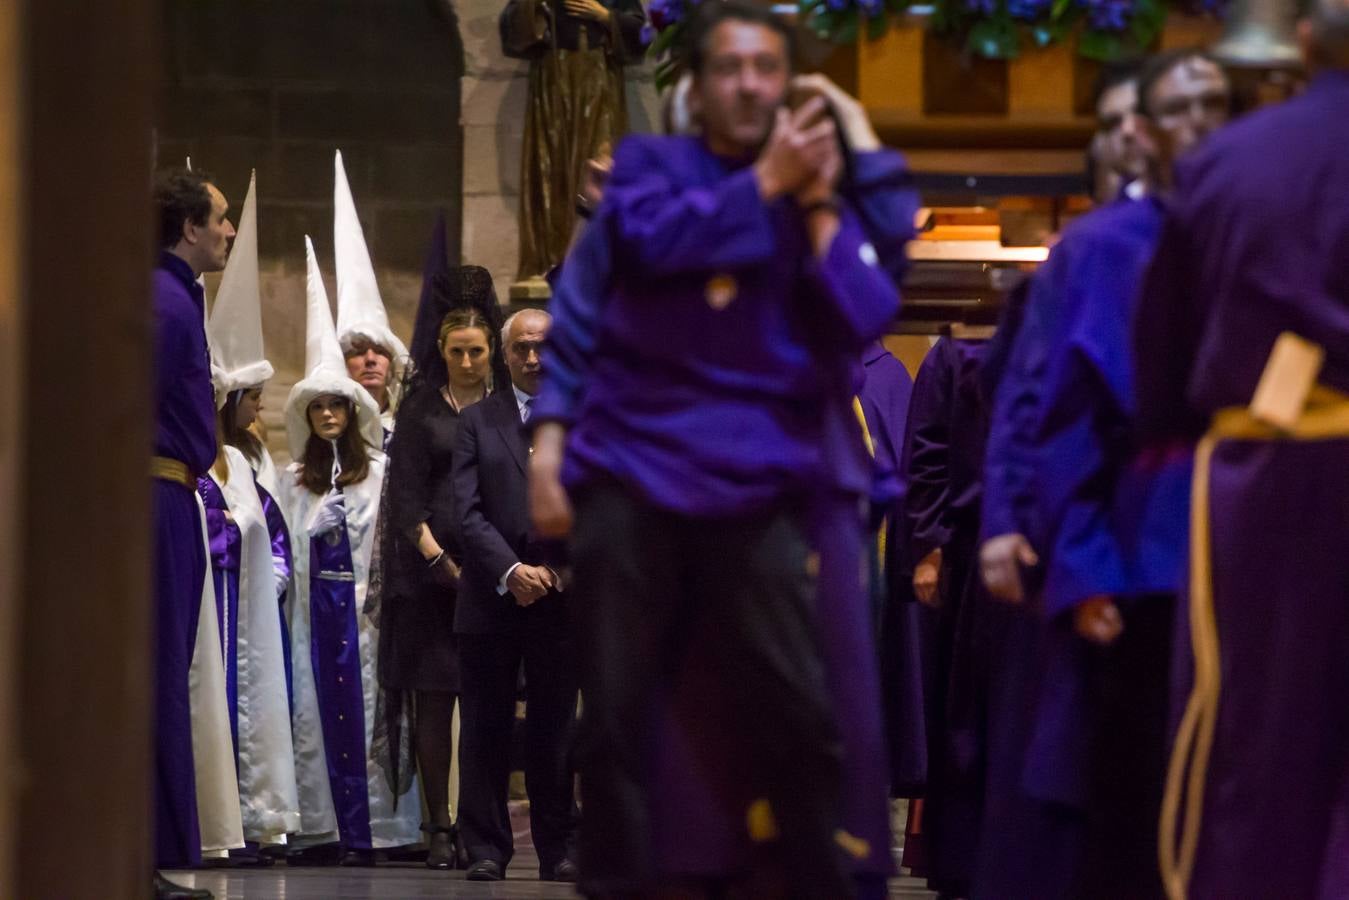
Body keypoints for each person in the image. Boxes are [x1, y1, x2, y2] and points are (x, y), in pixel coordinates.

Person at [527, 3, 906, 894]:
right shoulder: (652, 166)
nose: (749, 84)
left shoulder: (808, 181)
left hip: (762, 478)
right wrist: (549, 446)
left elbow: (870, 291)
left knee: (799, 703)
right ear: (695, 88)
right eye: (730, 67)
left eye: (768, 69)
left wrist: (844, 134)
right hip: (632, 469)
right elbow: (652, 246)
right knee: (615, 713)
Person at [978, 49, 1231, 899]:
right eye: (1181, 108)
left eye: (1216, 104)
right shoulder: (1099, 246)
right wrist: (1075, 559)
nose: (1200, 123)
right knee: (1118, 794)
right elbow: (1054, 410)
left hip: (1249, 542)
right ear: (1143, 131)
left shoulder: (1250, 219)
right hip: (1136, 554)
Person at [1134, 4, 1349, 895]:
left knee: (1252, 743)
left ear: (1302, 37)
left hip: (1266, 484)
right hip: (1270, 451)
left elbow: (1165, 353)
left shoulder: (1231, 160)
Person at [279, 236, 420, 867]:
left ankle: (378, 830)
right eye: (319, 407)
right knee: (315, 713)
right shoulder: (291, 480)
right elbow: (280, 551)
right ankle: (324, 826)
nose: (329, 414)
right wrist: (309, 530)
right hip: (315, 612)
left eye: (338, 404)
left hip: (363, 618)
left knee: (369, 714)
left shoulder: (381, 474)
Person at [378, 225, 506, 869]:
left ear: (490, 351)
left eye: (476, 351)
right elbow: (405, 499)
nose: (467, 361)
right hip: (431, 580)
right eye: (456, 351)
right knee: (435, 700)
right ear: (443, 350)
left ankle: (484, 825)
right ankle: (437, 825)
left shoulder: (505, 411)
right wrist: (438, 559)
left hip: (493, 576)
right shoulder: (423, 411)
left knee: (485, 706)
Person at [451, 309, 579, 883]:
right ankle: (483, 847)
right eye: (521, 349)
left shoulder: (586, 420)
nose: (532, 358)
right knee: (484, 727)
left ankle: (559, 847)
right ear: (505, 356)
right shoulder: (478, 420)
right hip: (490, 597)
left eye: (542, 348)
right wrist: (510, 570)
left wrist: (555, 570)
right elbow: (465, 509)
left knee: (555, 729)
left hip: (561, 600)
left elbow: (599, 503)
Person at [198, 169, 301, 862]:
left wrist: (272, 561)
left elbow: (271, 525)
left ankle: (256, 817)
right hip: (213, 600)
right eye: (252, 399)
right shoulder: (199, 464)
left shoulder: (251, 462)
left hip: (251, 608)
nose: (260, 409)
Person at [151, 167, 235, 900]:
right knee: (153, 675)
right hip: (151, 498)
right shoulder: (165, 302)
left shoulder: (178, 299)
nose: (230, 230)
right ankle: (142, 853)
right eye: (221, 217)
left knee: (163, 672)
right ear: (189, 227)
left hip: (167, 495)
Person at [501, 0, 646, 279]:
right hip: (552, 79)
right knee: (551, 170)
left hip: (599, 76)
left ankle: (598, 261)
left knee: (598, 166)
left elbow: (641, 33)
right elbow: (512, 31)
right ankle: (552, 263)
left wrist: (605, 16)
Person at [333, 150, 409, 437]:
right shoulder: (328, 433)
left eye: (379, 351)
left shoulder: (411, 431)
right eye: (358, 352)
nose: (370, 359)